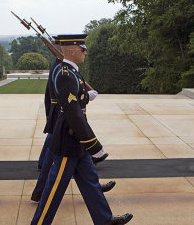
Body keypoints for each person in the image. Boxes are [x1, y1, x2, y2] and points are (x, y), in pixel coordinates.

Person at [31, 34, 133, 225]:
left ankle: (104, 219)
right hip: (68, 140)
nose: (85, 51)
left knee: (90, 182)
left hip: (76, 140)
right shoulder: (65, 75)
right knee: (53, 191)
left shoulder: (72, 72)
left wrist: (85, 96)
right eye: (82, 48)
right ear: (71, 50)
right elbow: (74, 115)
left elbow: (75, 100)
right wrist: (94, 145)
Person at [32, 40, 114, 202]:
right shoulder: (61, 69)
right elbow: (53, 97)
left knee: (55, 156)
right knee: (52, 156)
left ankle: (93, 187)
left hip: (61, 117)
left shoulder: (64, 68)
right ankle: (40, 192)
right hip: (62, 117)